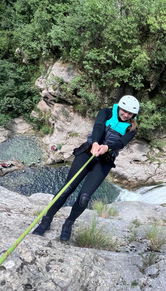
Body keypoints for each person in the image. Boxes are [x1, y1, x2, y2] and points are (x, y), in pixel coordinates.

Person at [32, 95, 139, 241]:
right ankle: (47, 219)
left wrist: (107, 147)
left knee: (84, 197)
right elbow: (99, 126)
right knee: (67, 188)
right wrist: (95, 143)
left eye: (129, 113)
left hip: (105, 160)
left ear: (133, 115)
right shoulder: (106, 112)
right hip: (88, 152)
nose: (125, 114)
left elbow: (121, 143)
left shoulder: (132, 128)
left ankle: (69, 223)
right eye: (123, 110)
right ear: (119, 107)